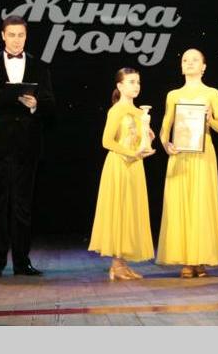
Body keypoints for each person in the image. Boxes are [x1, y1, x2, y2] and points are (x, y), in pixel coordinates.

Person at [0, 15, 55, 277]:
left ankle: (22, 262)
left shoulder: (39, 67)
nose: (17, 40)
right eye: (12, 35)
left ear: (26, 36)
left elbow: (51, 105)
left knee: (22, 207)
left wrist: (36, 105)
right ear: (3, 36)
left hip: (27, 147)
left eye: (21, 35)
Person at [156, 48, 218, 278]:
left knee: (201, 205)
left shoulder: (212, 93)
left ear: (203, 67)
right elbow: (165, 126)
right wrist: (165, 144)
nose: (189, 62)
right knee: (181, 205)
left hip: (203, 155)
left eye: (194, 59)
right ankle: (187, 261)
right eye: (185, 59)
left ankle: (200, 259)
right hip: (180, 155)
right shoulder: (173, 95)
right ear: (181, 66)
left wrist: (210, 118)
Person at [88, 68, 156, 280]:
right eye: (131, 82)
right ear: (120, 86)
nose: (136, 86)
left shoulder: (140, 112)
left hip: (135, 166)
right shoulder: (116, 110)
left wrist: (148, 139)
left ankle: (122, 264)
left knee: (130, 213)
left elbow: (138, 140)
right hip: (119, 165)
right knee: (119, 211)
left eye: (138, 82)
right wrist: (131, 152)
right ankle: (116, 265)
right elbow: (106, 141)